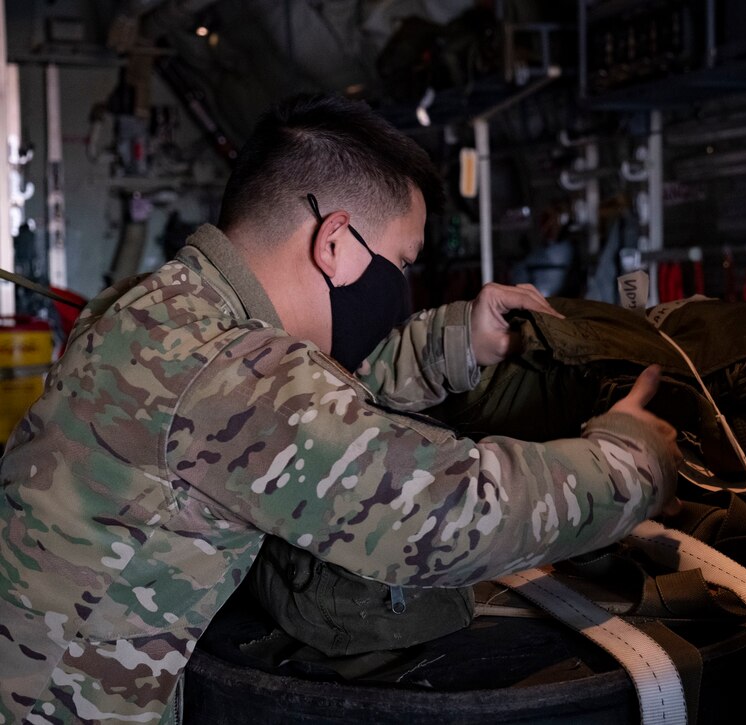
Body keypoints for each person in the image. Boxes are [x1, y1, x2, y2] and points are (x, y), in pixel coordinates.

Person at [0, 93, 680, 723]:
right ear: (334, 241)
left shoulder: (155, 309)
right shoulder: (232, 373)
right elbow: (452, 515)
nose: (399, 287)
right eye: (399, 263)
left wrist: (456, 343)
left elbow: (315, 412)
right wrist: (631, 458)